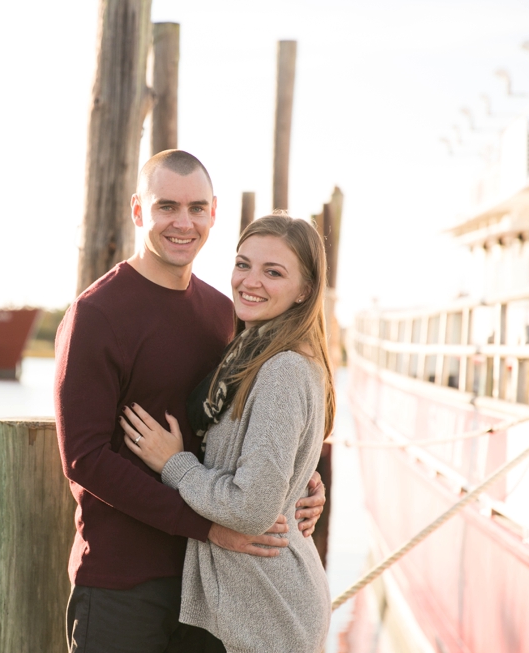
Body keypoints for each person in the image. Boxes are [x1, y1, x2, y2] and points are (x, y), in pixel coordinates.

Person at [54, 150, 326, 653]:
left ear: (214, 213)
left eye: (197, 208)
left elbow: (244, 425)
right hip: (123, 581)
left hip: (210, 588)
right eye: (167, 207)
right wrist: (205, 527)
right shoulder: (96, 314)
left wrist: (300, 478)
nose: (184, 223)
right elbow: (84, 459)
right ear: (139, 211)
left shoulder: (227, 315)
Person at [120, 214, 334, 653]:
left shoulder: (283, 370)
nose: (250, 281)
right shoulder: (251, 352)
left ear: (305, 290)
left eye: (273, 272)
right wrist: (301, 482)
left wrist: (175, 464)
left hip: (265, 614)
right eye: (243, 264)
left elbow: (252, 507)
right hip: (250, 605)